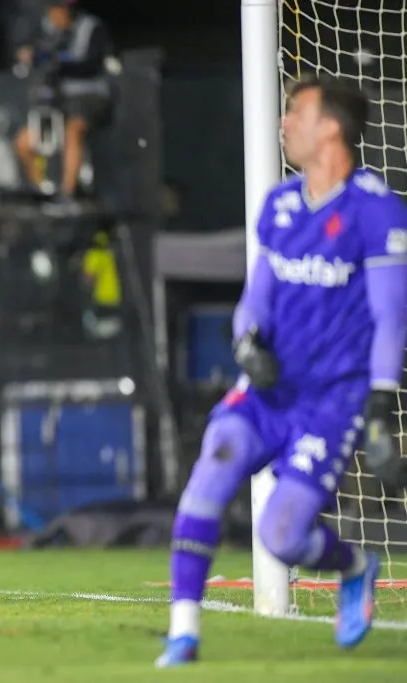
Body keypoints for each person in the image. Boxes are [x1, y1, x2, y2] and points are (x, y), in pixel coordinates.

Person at [157, 75, 407, 667]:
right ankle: (183, 634)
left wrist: (378, 408)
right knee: (212, 469)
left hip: (331, 402)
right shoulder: (281, 204)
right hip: (269, 392)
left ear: (331, 128)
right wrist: (246, 340)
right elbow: (257, 295)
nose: (284, 122)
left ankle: (354, 567)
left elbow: (391, 318)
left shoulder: (377, 210)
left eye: (297, 113)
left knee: (282, 536)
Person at [12, 0, 113, 202]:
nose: (52, 16)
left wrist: (54, 60)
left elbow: (87, 62)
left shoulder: (90, 27)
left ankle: (68, 193)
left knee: (73, 130)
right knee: (23, 141)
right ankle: (42, 190)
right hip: (55, 102)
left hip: (88, 96)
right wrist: (30, 56)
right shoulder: (47, 33)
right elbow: (30, 56)